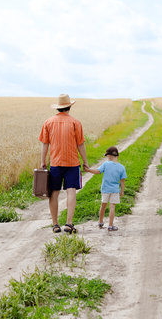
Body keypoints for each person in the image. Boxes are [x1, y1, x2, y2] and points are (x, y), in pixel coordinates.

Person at [39, 94, 90, 234]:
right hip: (72, 163)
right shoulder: (75, 123)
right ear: (69, 107)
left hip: (55, 162)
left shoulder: (48, 122)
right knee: (71, 191)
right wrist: (85, 162)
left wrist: (43, 161)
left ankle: (55, 225)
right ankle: (69, 223)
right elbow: (81, 144)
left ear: (58, 107)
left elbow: (45, 143)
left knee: (54, 193)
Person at [84, 146, 127, 231]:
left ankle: (100, 222)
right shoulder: (121, 167)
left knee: (103, 205)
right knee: (112, 207)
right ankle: (110, 226)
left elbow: (97, 171)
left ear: (109, 156)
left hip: (105, 189)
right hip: (115, 190)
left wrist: (89, 170)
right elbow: (122, 181)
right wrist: (122, 191)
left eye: (107, 156)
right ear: (117, 156)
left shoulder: (106, 164)